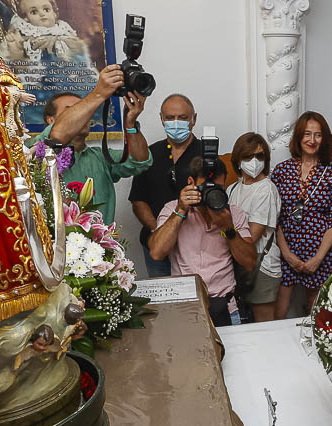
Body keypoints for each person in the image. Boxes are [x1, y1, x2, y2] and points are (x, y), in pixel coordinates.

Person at [35, 65, 152, 226]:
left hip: (101, 248)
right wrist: (99, 93)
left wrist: (130, 122)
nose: (83, 116)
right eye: (73, 111)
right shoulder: (38, 150)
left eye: (86, 111)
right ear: (50, 120)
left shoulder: (100, 157)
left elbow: (140, 161)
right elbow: (54, 136)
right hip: (58, 247)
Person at [149, 156, 256, 326]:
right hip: (184, 307)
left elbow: (249, 262)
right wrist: (180, 211)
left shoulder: (234, 214)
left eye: (218, 188)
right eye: (207, 187)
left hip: (225, 307)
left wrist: (228, 229)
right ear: (191, 182)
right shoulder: (172, 208)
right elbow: (156, 252)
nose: (211, 193)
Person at [273, 112, 332, 317]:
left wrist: (317, 259)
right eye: (307, 134)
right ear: (298, 137)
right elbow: (275, 219)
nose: (312, 140)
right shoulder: (281, 171)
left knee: (318, 311)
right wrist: (287, 255)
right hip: (286, 249)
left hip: (320, 251)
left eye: (318, 135)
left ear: (325, 139)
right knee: (280, 309)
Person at [130, 93, 204, 277]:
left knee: (197, 299)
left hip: (197, 248)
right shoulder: (148, 154)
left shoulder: (207, 154)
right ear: (162, 119)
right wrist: (159, 230)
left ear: (194, 119)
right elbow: (138, 199)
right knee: (163, 301)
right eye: (170, 118)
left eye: (183, 117)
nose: (176, 122)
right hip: (156, 246)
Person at [226, 132, 282, 323]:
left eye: (260, 156)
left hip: (262, 264)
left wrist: (226, 230)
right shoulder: (232, 189)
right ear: (238, 160)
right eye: (248, 156)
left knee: (263, 325)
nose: (254, 161)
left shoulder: (266, 188)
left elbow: (253, 235)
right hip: (239, 263)